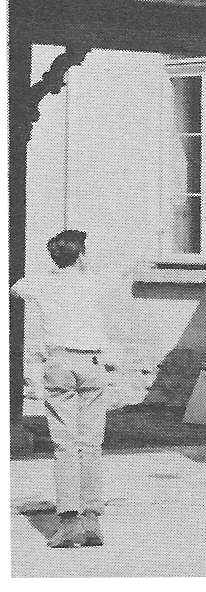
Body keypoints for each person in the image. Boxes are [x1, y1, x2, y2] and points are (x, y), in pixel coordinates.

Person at [10, 229, 137, 549]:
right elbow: (124, 271)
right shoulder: (95, 281)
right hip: (92, 365)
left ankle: (69, 523)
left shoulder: (40, 283)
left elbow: (15, 288)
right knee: (91, 444)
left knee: (65, 444)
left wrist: (54, 273)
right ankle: (92, 520)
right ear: (81, 255)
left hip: (59, 365)